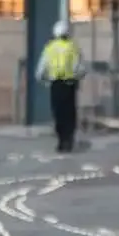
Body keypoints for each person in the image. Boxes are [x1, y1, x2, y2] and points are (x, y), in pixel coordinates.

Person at [35, 21, 85, 153]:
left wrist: (45, 81)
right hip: (69, 84)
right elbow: (79, 68)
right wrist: (78, 78)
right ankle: (69, 139)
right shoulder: (73, 47)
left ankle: (61, 141)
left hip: (55, 84)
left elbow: (40, 70)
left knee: (58, 113)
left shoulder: (50, 47)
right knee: (70, 113)